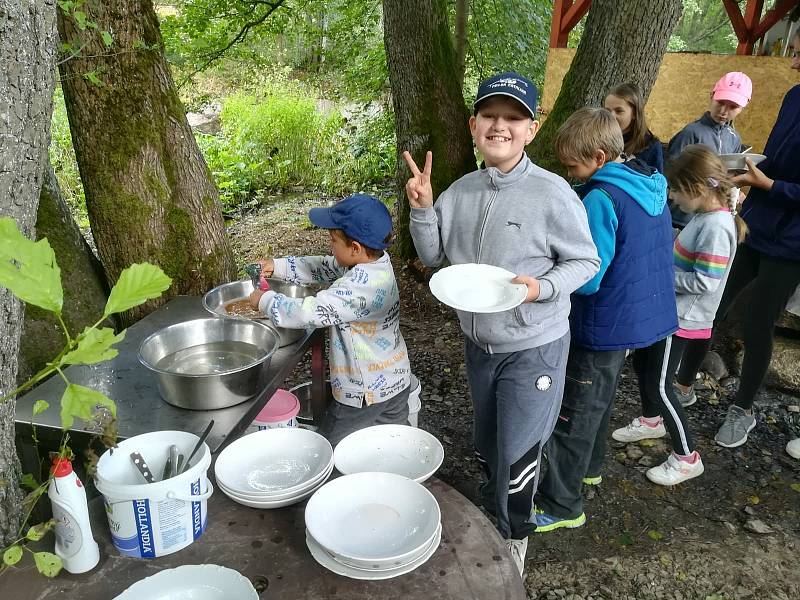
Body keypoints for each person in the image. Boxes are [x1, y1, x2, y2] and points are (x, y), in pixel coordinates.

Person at [404, 72, 600, 575]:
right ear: (473, 125)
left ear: (531, 130)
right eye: (490, 115)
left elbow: (585, 261)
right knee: (490, 439)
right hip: (479, 342)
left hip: (535, 342)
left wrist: (542, 286)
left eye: (513, 118)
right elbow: (434, 258)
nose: (500, 126)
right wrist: (424, 209)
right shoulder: (462, 190)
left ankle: (513, 538)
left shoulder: (552, 192)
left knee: (518, 447)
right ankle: (498, 507)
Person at [533, 107, 675, 529]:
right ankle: (590, 468)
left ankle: (561, 505)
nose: (570, 173)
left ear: (597, 156)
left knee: (572, 413)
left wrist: (548, 280)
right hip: (635, 319)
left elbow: (589, 275)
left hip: (601, 320)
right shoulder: (647, 184)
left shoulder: (601, 197)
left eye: (574, 165)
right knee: (599, 398)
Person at [673, 33, 800, 451]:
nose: (794, 62)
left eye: (799, 53)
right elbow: (778, 161)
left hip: (792, 242)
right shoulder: (794, 97)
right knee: (714, 303)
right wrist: (750, 171)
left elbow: (783, 182)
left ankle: (743, 408)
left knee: (757, 321)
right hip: (759, 223)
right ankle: (684, 384)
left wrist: (773, 185)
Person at [613, 146, 746, 484]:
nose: (672, 198)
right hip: (669, 313)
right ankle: (651, 420)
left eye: (675, 190)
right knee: (643, 366)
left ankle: (687, 456)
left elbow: (705, 281)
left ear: (697, 188)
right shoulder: (704, 217)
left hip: (683, 321)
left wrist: (659, 274)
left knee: (660, 385)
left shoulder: (716, 226)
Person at [248, 194, 412, 447]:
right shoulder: (374, 263)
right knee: (395, 444)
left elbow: (309, 312)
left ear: (355, 248)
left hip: (363, 392)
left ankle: (335, 482)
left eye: (333, 240)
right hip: (396, 379)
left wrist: (265, 300)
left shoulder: (360, 288)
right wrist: (279, 266)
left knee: (331, 449)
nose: (330, 246)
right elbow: (323, 266)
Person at [667, 71, 753, 228]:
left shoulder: (734, 138)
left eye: (733, 106)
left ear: (743, 107)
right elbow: (670, 175)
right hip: (681, 218)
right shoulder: (691, 133)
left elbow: (728, 178)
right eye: (720, 102)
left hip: (712, 217)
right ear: (711, 95)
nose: (724, 111)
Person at [604, 82, 664, 172]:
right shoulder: (600, 137)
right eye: (607, 111)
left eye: (619, 111)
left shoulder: (650, 146)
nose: (611, 116)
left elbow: (657, 183)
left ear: (635, 113)